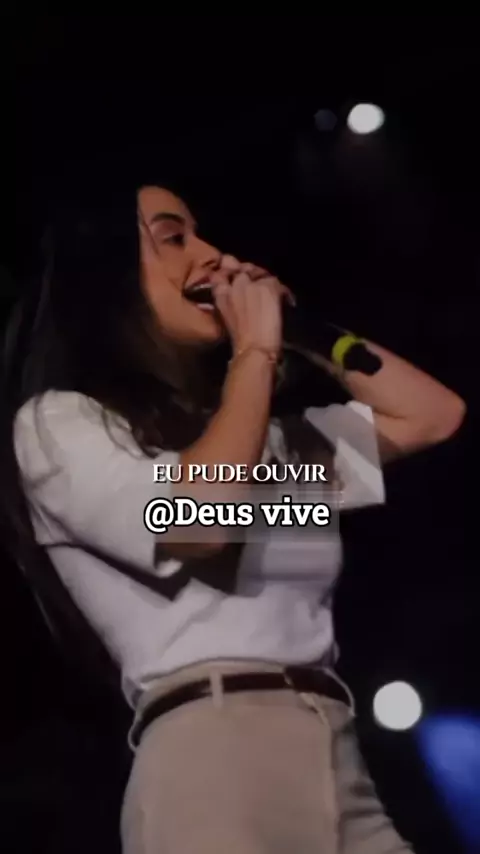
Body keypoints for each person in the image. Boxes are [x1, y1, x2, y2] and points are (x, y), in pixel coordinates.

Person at [6, 180, 465, 854]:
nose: (213, 255)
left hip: (338, 758)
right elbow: (200, 520)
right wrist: (255, 352)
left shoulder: (269, 449)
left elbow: (431, 415)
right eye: (174, 237)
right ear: (104, 273)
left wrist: (301, 334)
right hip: (213, 760)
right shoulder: (60, 423)